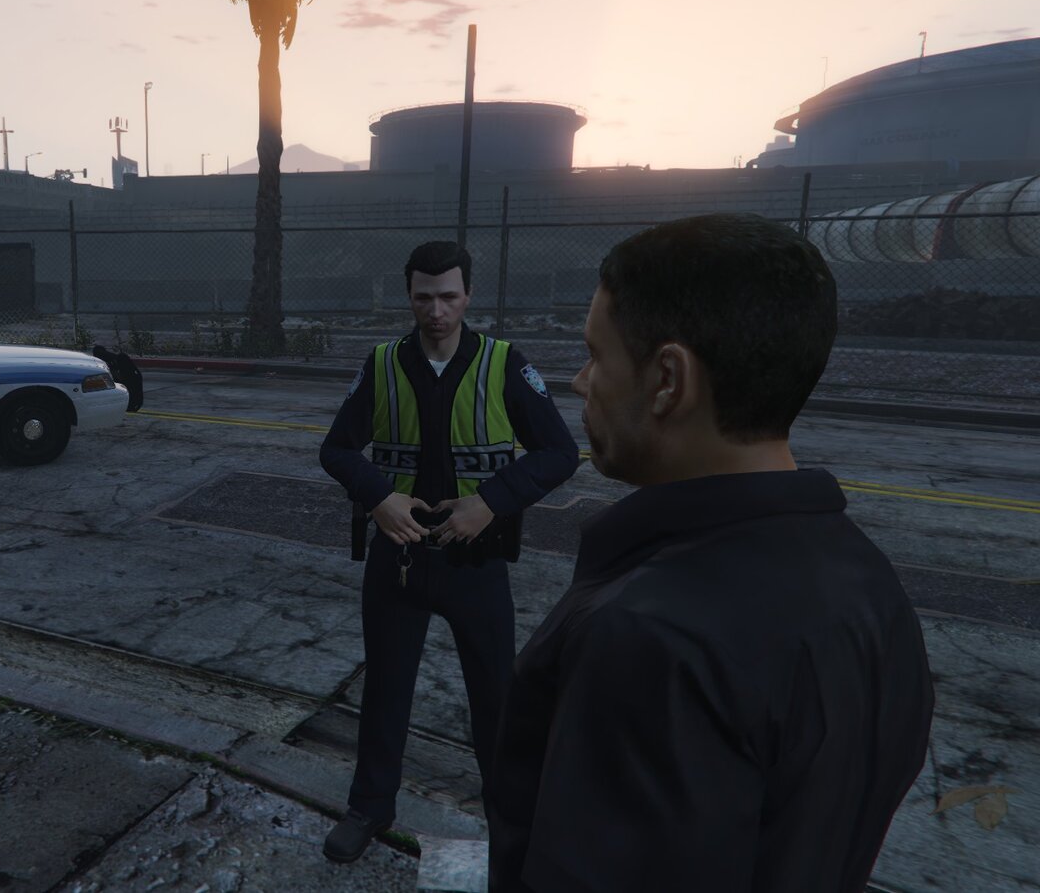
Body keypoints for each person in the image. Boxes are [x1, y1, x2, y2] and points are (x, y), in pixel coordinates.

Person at [487, 214, 935, 892]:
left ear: (667, 380)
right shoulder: (873, 587)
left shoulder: (650, 638)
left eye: (597, 355)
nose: (581, 381)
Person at [319, 240, 580, 863]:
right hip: (399, 560)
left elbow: (560, 453)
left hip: (477, 562)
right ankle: (370, 807)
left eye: (448, 297)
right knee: (386, 691)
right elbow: (337, 448)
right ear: (408, 296)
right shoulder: (383, 363)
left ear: (468, 295)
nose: (436, 311)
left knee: (496, 699)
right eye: (424, 298)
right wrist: (380, 498)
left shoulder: (505, 364)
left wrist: (490, 501)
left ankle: (511, 819)